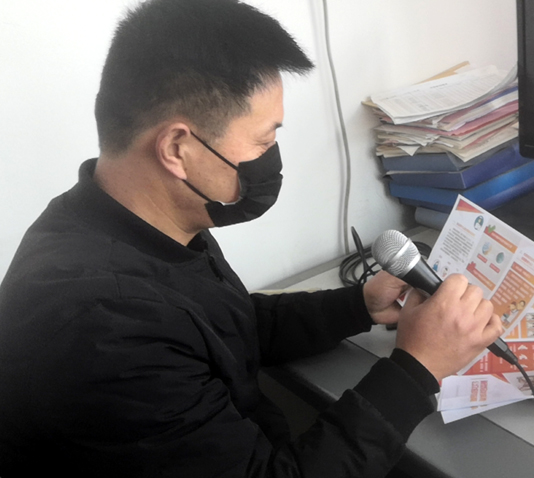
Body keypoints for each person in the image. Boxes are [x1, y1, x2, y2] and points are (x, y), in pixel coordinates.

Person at [0, 0, 503, 476]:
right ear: (178, 148)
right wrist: (418, 368)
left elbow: (224, 325)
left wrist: (358, 305)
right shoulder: (104, 328)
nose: (272, 156)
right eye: (264, 139)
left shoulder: (124, 221)